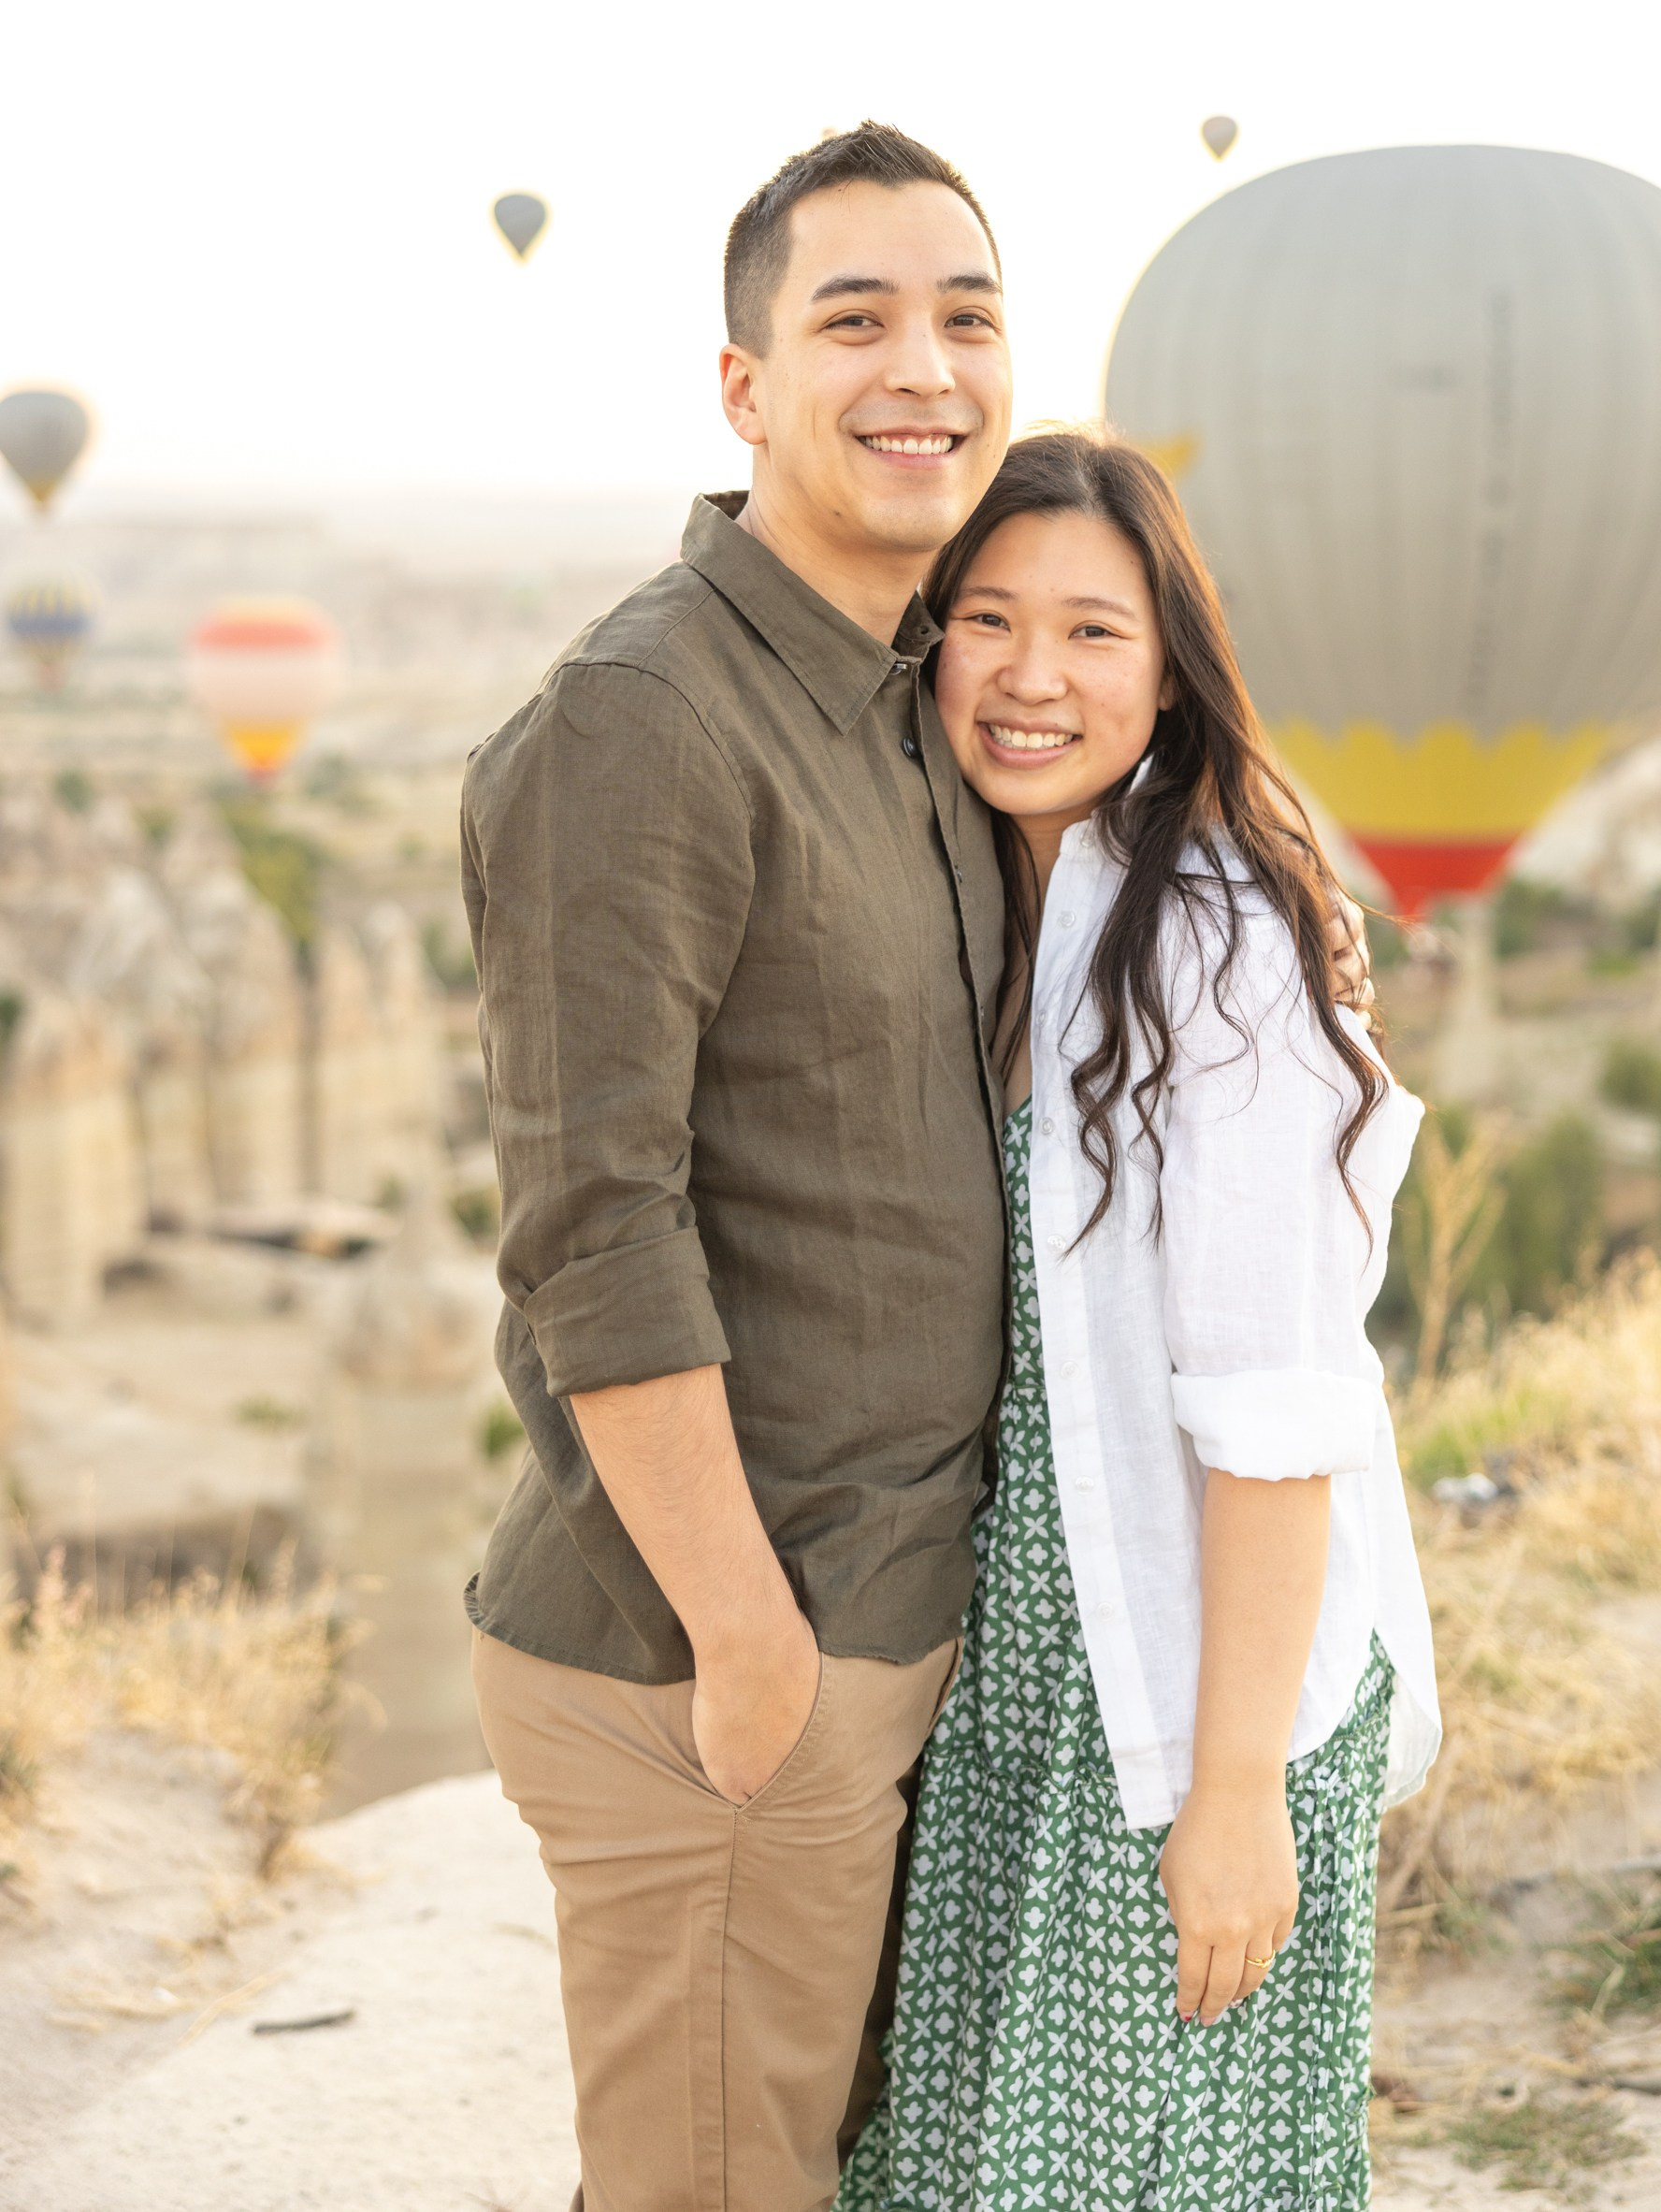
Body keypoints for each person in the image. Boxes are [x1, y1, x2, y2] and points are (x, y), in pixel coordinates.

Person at [461, 125, 1373, 2212]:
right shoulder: (644, 721)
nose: (925, 366)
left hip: (910, 1660)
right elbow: (597, 1234)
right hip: (722, 1656)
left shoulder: (913, 722)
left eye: (968, 317)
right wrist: (756, 1660)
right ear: (742, 383)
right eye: (852, 316)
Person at [840, 430, 1439, 2212]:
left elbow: (1276, 1407)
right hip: (1034, 1677)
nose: (1033, 677)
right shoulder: (1004, 907)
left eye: (1094, 632)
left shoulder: (1212, 937)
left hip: (1187, 1698)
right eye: (989, 620)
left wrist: (1232, 1792)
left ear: (1171, 665)